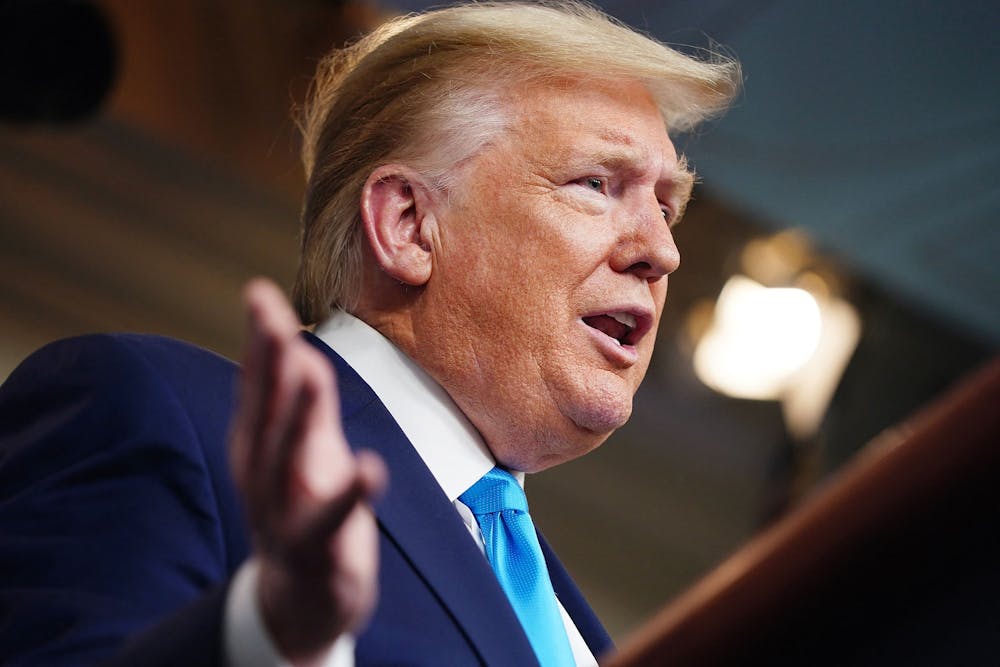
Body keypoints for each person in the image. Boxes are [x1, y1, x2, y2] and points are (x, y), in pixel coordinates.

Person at [0, 2, 739, 665]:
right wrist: (269, 638)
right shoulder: (159, 410)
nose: (662, 251)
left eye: (667, 206)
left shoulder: (582, 629)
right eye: (596, 184)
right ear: (409, 225)